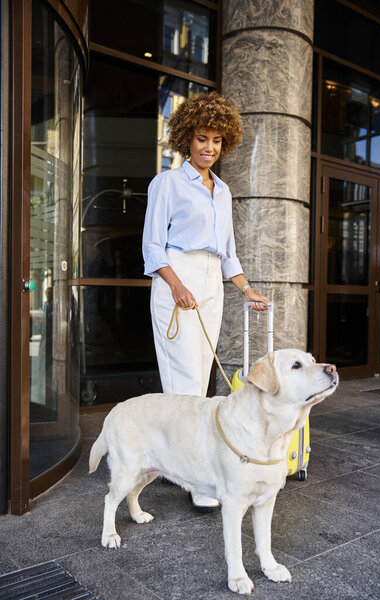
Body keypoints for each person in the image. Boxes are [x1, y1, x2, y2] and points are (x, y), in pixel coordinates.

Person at [142, 92, 270, 509]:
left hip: (211, 282)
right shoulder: (167, 183)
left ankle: (176, 462)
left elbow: (228, 252)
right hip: (176, 278)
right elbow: (153, 246)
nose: (209, 147)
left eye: (216, 139)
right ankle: (196, 479)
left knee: (200, 379)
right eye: (201, 138)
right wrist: (177, 285)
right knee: (184, 382)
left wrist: (246, 290)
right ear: (186, 139)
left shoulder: (223, 190)